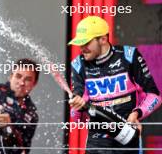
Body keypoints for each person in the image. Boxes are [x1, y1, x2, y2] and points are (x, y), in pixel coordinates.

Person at [68, 15, 161, 154]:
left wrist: (136, 114)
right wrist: (77, 106)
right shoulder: (78, 65)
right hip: (97, 143)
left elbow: (155, 96)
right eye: (80, 43)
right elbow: (76, 118)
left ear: (103, 39)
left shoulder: (129, 56)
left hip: (127, 138)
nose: (82, 48)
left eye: (86, 43)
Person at [0, 58, 39, 154]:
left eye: (27, 79)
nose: (21, 83)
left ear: (34, 84)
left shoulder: (31, 115)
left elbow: (22, 151)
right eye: (18, 76)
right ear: (11, 76)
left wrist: (9, 129)